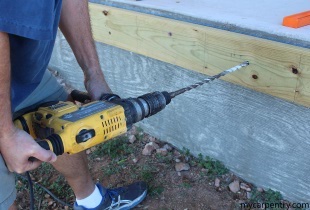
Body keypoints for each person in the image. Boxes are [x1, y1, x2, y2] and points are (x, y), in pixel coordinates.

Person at [0, 1, 147, 210]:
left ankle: (92, 202)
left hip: (19, 68)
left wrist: (93, 74)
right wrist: (5, 134)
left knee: (64, 118)